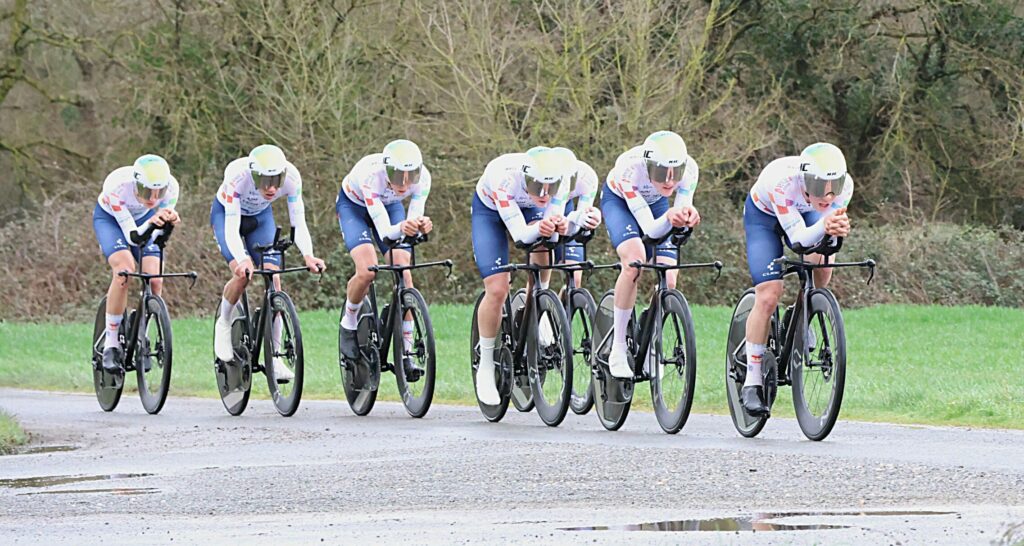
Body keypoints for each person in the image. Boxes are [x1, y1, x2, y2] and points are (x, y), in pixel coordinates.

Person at [740, 142, 853, 416]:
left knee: (823, 264)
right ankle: (752, 381)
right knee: (768, 295)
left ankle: (800, 314)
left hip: (805, 215)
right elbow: (799, 239)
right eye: (818, 187)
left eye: (833, 186)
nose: (827, 195)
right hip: (764, 219)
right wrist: (825, 226)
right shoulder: (782, 184)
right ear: (804, 181)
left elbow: (826, 234)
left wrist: (835, 231)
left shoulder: (844, 187)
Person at [211, 144, 326, 382]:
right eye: (265, 181)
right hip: (228, 216)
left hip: (261, 219)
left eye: (277, 180)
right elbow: (232, 228)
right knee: (242, 275)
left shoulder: (292, 178)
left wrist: (308, 254)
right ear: (254, 176)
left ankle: (274, 357)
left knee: (275, 280)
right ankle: (224, 323)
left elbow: (299, 222)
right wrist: (242, 259)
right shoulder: (237, 177)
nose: (272, 187)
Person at [471, 146, 570, 405]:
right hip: (491, 212)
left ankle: (538, 302)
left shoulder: (559, 182)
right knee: (497, 289)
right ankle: (485, 364)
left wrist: (558, 226)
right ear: (526, 178)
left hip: (528, 211)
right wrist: (541, 226)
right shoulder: (504, 179)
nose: (545, 194)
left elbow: (554, 230)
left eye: (551, 187)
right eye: (538, 187)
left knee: (546, 244)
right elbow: (520, 235)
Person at [601, 130, 700, 379]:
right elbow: (650, 230)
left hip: (656, 203)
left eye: (674, 174)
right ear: (648, 167)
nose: (669, 181)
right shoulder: (628, 169)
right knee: (635, 262)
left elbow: (679, 213)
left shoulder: (690, 171)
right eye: (660, 173)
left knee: (669, 279)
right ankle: (618, 348)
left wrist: (687, 218)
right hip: (621, 203)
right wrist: (670, 217)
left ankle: (649, 333)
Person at [336, 139, 433, 375]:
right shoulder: (371, 176)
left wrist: (420, 224)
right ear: (387, 170)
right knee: (367, 270)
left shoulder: (424, 179)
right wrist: (405, 227)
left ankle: (407, 353)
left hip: (390, 206)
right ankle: (348, 324)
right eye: (399, 176)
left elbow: (413, 218)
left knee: (405, 275)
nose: (405, 183)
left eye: (411, 175)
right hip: (355, 208)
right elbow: (386, 232)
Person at [93, 154, 181, 373]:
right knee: (124, 272)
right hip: (112, 220)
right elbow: (133, 237)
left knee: (155, 281)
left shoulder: (172, 188)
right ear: (135, 184)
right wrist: (153, 221)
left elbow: (158, 238)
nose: (152, 198)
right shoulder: (116, 186)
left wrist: (167, 225)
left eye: (157, 193)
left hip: (145, 221)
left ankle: (142, 332)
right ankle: (112, 344)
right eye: (146, 192)